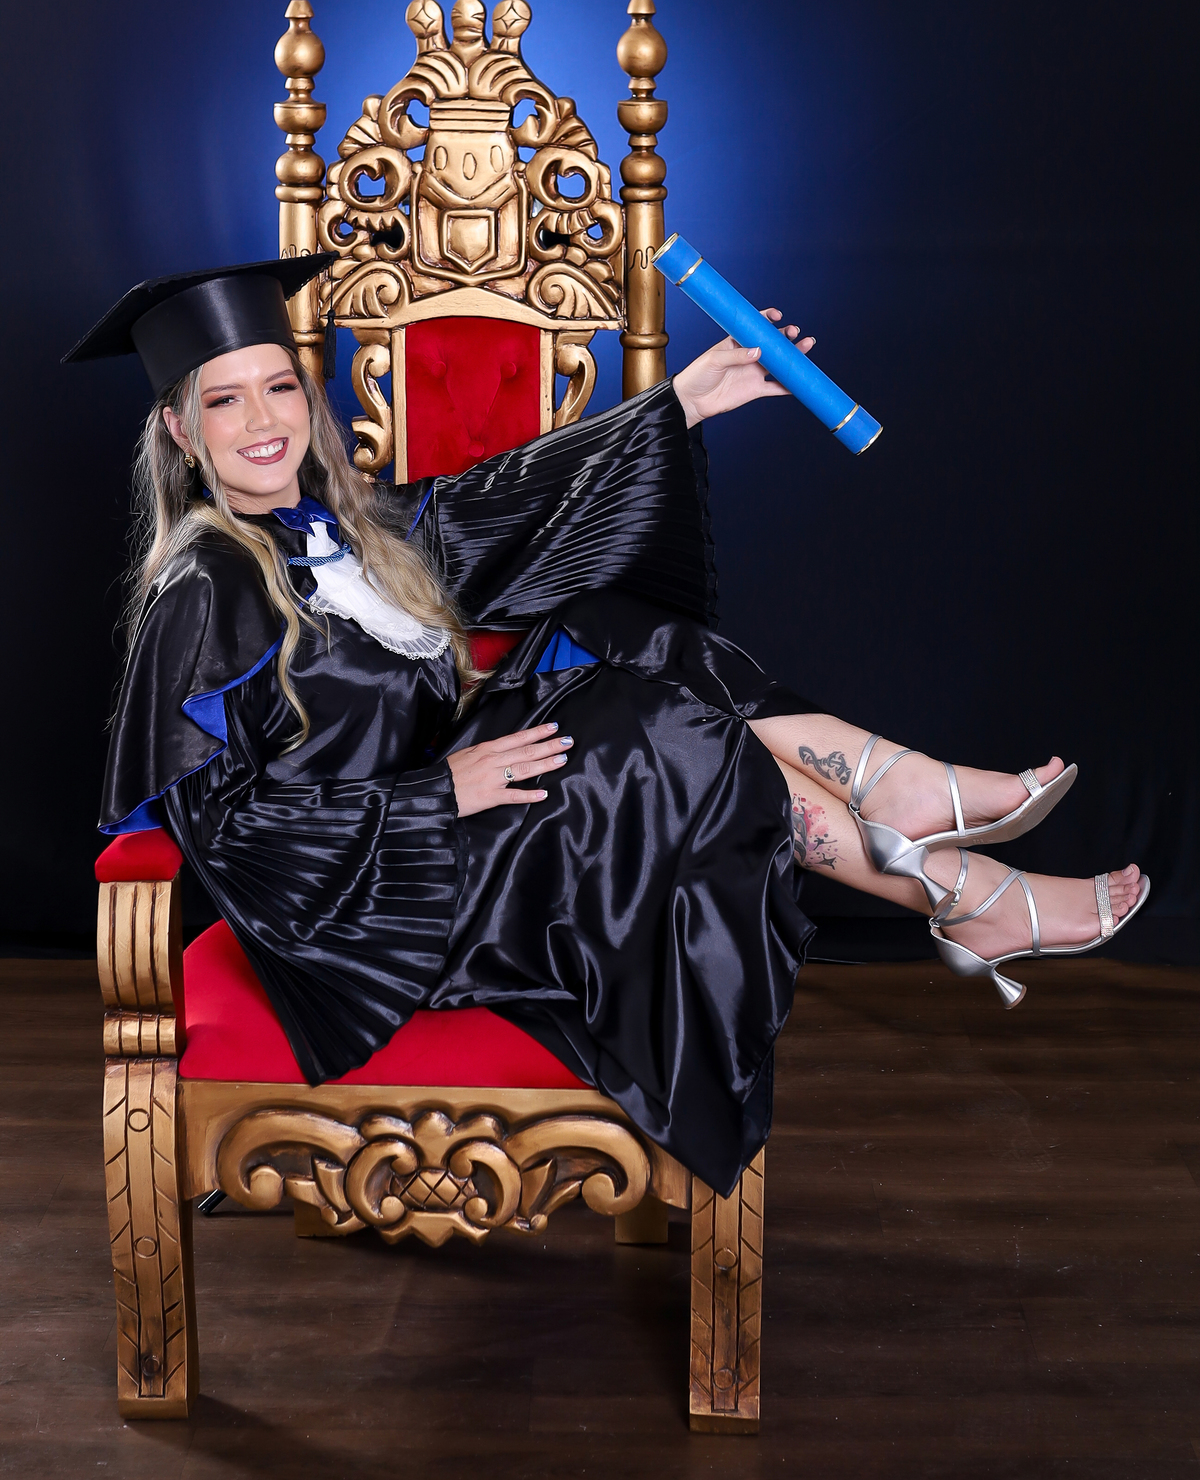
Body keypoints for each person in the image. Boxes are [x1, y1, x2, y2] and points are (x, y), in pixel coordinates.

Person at [65, 256, 1148, 1195]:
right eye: (225, 402)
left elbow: (502, 502)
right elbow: (227, 833)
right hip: (373, 906)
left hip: (447, 833)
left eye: (279, 387)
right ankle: (952, 879)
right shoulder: (204, 590)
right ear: (179, 429)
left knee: (612, 628)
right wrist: (440, 793)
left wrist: (686, 402)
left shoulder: (347, 531)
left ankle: (923, 829)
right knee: (655, 738)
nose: (264, 424)